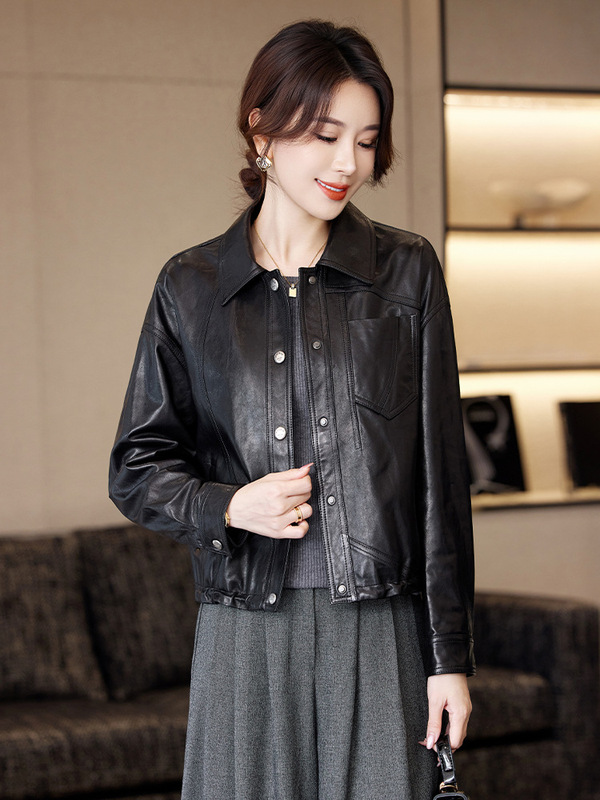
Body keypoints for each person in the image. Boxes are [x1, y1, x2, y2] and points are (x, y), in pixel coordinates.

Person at [109, 19, 474, 800]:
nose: (349, 164)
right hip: (244, 626)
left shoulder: (407, 273)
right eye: (325, 135)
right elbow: (136, 467)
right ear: (262, 132)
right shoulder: (189, 287)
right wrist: (228, 505)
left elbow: (442, 482)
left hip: (378, 628)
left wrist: (449, 659)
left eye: (367, 142)